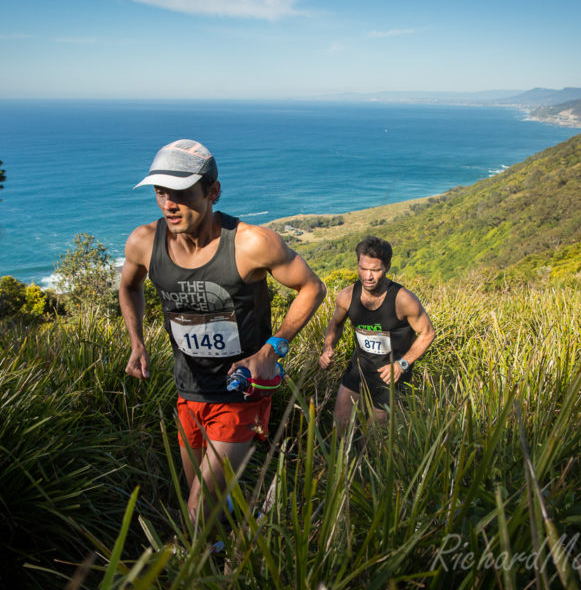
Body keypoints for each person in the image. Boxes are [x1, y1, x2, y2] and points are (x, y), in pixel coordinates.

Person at [119, 139, 326, 527]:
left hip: (240, 393)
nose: (168, 204)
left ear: (213, 191)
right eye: (161, 192)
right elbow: (129, 286)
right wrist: (137, 341)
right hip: (189, 390)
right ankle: (233, 538)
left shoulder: (251, 243)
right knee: (202, 492)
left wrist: (271, 349)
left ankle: (198, 568)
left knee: (197, 509)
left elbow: (312, 287)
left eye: (181, 193)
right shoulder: (143, 242)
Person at [319, 236, 435, 430]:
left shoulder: (403, 300)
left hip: (391, 375)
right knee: (340, 422)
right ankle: (342, 460)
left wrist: (402, 364)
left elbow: (427, 333)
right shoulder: (347, 296)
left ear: (387, 267)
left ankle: (366, 459)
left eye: (375, 270)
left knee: (373, 435)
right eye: (363, 269)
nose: (368, 276)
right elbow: (336, 324)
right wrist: (327, 347)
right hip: (359, 367)